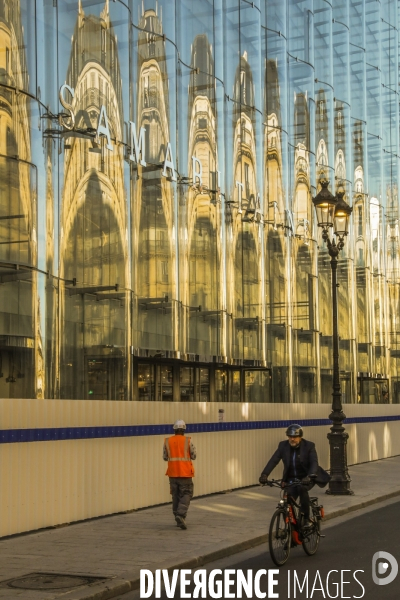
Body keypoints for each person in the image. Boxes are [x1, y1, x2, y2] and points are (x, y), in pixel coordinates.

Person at [259, 423, 330, 527]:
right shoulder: (283, 446)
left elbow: (314, 463)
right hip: (291, 479)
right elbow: (273, 461)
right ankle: (290, 529)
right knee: (287, 501)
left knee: (302, 488)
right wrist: (264, 474)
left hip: (306, 478)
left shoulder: (309, 446)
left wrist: (310, 476)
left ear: (300, 437)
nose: (292, 439)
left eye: (295, 437)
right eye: (290, 437)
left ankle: (306, 519)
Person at [163, 420, 196, 530]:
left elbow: (164, 457)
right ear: (184, 430)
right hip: (185, 473)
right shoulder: (188, 441)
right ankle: (180, 515)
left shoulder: (167, 441)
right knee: (187, 493)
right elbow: (194, 455)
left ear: (174, 429)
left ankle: (177, 517)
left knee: (175, 495)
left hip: (172, 473)